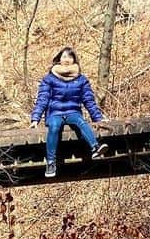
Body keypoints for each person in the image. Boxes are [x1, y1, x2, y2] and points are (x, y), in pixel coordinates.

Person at [30, 47, 108, 179]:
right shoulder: (49, 78)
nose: (66, 59)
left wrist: (98, 118)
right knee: (54, 127)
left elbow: (88, 100)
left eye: (69, 57)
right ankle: (51, 163)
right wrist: (35, 119)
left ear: (74, 60)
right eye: (64, 56)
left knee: (80, 122)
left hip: (73, 111)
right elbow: (43, 99)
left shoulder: (81, 79)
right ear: (59, 59)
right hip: (55, 112)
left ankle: (95, 148)